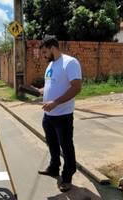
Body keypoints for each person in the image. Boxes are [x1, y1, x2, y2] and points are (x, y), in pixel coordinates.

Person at [36, 36, 82, 192]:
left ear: (52, 48)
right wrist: (38, 91)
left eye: (44, 52)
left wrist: (55, 102)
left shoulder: (70, 63)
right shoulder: (51, 65)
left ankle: (67, 177)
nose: (43, 55)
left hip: (63, 116)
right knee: (52, 145)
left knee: (66, 147)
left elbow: (76, 88)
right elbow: (50, 86)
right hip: (48, 116)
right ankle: (54, 167)